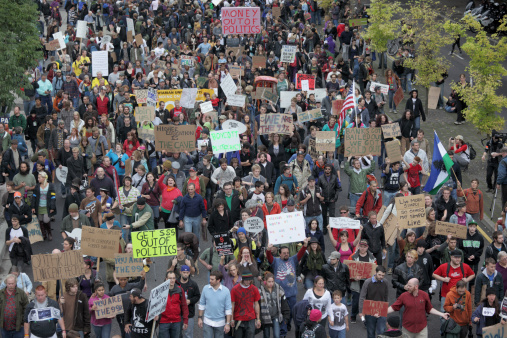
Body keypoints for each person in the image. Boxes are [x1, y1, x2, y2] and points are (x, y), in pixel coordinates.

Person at [266, 242, 307, 331]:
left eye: (287, 253)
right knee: (282, 312)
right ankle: (283, 329)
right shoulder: (276, 261)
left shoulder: (293, 259)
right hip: (280, 293)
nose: (286, 254)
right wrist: (268, 250)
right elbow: (269, 257)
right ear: (279, 254)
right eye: (284, 253)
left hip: (292, 292)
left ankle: (288, 323)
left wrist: (305, 246)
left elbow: (300, 254)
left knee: (292, 312)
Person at [432, 250, 475, 324]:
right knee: (444, 313)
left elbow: (472, 274)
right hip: (446, 295)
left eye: (459, 258)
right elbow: (434, 274)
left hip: (461, 296)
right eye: (456, 257)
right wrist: (443, 279)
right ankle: (444, 332)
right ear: (451, 257)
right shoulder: (444, 266)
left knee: (461, 313)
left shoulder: (465, 266)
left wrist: (466, 280)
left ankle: (458, 330)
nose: (458, 259)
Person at [197, 270, 233, 337]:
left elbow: (228, 308)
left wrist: (228, 323)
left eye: (212, 279)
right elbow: (202, 304)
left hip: (220, 323)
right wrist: (199, 318)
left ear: (218, 280)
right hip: (207, 321)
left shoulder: (226, 291)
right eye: (210, 278)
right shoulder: (205, 288)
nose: (210, 280)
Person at [359, 266, 389, 338]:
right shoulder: (367, 282)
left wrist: (386, 309)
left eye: (383, 275)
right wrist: (361, 311)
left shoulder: (385, 282)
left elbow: (386, 296)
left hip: (381, 310)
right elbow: (362, 297)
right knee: (370, 331)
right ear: (375, 272)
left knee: (382, 331)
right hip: (370, 310)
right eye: (379, 275)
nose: (381, 277)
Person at [258, 272, 290, 338]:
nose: (271, 283)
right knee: (266, 336)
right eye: (269, 281)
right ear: (265, 281)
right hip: (265, 317)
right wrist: (258, 318)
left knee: (277, 335)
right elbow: (257, 305)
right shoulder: (260, 290)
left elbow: (284, 303)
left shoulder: (278, 289)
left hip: (276, 316)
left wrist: (286, 317)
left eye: (272, 281)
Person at [230, 270, 261, 336]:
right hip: (238, 319)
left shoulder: (254, 289)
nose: (248, 281)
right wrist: (231, 319)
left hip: (250, 319)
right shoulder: (235, 289)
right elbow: (232, 304)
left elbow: (256, 304)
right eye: (246, 280)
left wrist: (258, 319)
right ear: (243, 279)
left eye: (250, 280)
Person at [159, 271, 189, 338]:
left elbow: (184, 306)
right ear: (166, 279)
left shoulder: (180, 290)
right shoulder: (160, 290)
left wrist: (185, 320)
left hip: (176, 321)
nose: (172, 280)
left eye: (173, 278)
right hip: (164, 321)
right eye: (170, 278)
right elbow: (154, 306)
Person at [0, 274, 29, 338]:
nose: (10, 285)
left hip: (18, 328)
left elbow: (26, 308)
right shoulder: (1, 293)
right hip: (4, 328)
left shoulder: (21, 293)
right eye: (9, 284)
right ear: (6, 283)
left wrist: (23, 321)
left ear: (15, 283)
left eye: (12, 283)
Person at [31, 172, 56, 241]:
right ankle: (43, 234)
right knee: (40, 220)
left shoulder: (50, 186)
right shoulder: (37, 186)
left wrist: (52, 207)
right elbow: (34, 197)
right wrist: (33, 207)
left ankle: (49, 232)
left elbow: (53, 197)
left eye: (39, 177)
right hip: (39, 206)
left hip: (47, 206)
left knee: (46, 220)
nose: (38, 179)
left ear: (44, 178)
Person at [179, 265, 201, 338]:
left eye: (187, 272)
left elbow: (197, 296)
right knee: (176, 334)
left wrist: (190, 301)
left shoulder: (193, 284)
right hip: (177, 314)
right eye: (184, 272)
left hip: (189, 314)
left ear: (189, 273)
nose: (185, 274)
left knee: (188, 335)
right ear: (180, 272)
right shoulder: (176, 283)